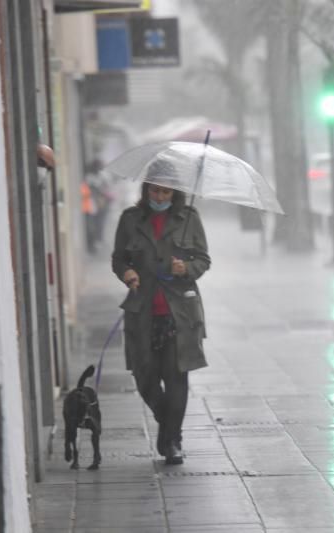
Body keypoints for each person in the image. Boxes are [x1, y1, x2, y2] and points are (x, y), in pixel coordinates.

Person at [111, 169, 210, 465]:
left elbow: (203, 259)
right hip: (142, 312)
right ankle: (168, 423)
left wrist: (187, 269)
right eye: (155, 191)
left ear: (174, 193)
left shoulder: (189, 218)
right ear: (146, 191)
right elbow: (119, 258)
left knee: (176, 377)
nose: (160, 197)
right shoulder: (130, 219)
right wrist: (126, 272)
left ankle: (172, 441)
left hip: (179, 313)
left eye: (166, 192)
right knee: (145, 376)